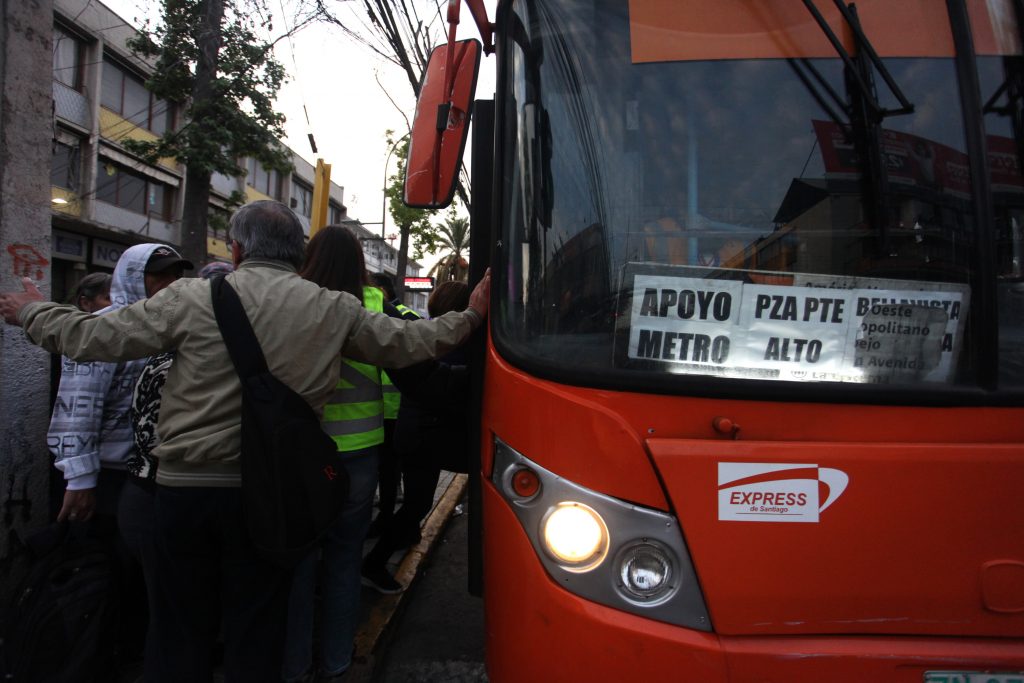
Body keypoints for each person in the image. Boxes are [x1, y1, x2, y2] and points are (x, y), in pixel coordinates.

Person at [0, 199, 490, 683]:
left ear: (235, 250)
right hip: (272, 496)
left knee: (178, 629)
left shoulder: (190, 298)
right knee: (257, 628)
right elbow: (413, 343)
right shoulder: (334, 308)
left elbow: (95, 338)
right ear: (297, 254)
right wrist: (470, 315)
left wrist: (31, 312)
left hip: (184, 493)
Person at [46, 243, 191, 673]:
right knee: (102, 578)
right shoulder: (103, 328)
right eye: (158, 275)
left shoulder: (168, 328)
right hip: (105, 479)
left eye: (174, 276)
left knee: (139, 583)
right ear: (131, 277)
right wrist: (80, 478)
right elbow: (77, 406)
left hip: (150, 476)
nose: (167, 285)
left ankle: (129, 653)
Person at [283, 226, 384, 682]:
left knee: (299, 563)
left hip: (304, 453)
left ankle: (294, 666)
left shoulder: (292, 301)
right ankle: (338, 662)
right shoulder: (374, 303)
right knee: (345, 561)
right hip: (360, 451)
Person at [361, 280, 473, 594]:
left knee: (415, 502)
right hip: (422, 438)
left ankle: (401, 537)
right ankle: (374, 563)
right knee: (417, 504)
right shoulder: (450, 343)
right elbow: (448, 387)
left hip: (419, 435)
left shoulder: (428, 336)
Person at [368, 271, 420, 539]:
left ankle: (388, 522)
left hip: (393, 410)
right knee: (393, 472)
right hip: (396, 409)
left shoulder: (396, 316)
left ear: (382, 290)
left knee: (388, 471)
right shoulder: (409, 317)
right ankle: (398, 523)